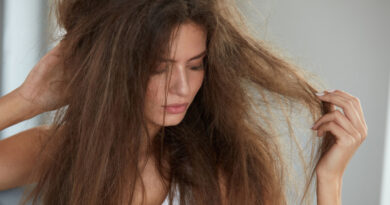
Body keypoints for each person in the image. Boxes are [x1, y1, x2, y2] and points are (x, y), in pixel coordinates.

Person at [0, 0, 368, 204]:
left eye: (196, 65)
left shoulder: (223, 173)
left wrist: (330, 180)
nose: (182, 87)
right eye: (159, 68)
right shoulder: (58, 150)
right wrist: (26, 100)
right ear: (113, 70)